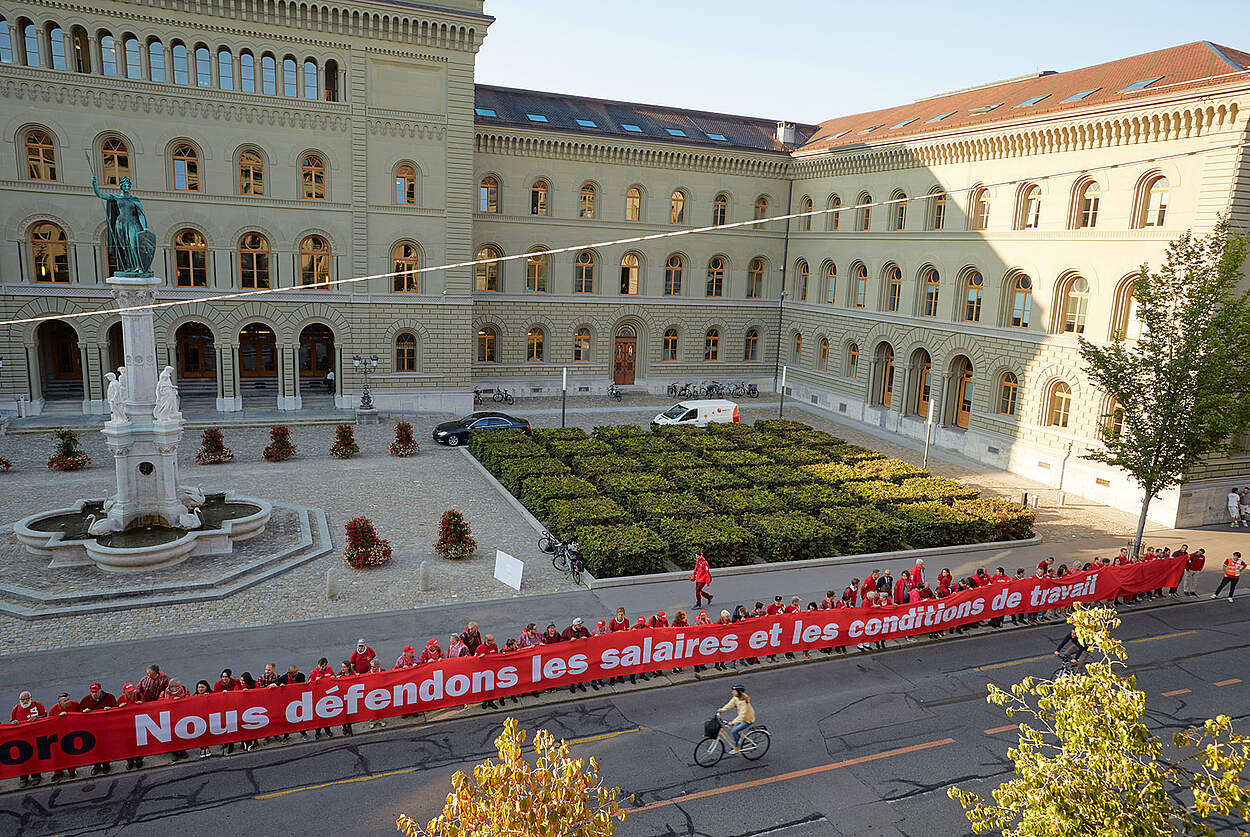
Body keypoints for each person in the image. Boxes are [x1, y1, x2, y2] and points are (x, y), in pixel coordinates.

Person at [80, 682, 117, 774]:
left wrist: (110, 709)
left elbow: (117, 710)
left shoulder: (110, 697)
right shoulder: (85, 700)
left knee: (106, 747)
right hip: (92, 729)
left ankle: (106, 764)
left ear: (100, 690)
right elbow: (78, 714)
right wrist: (84, 712)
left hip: (106, 728)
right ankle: (96, 765)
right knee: (94, 748)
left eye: (96, 692)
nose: (94, 694)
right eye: (92, 692)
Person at [12, 691, 46, 786]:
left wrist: (37, 718)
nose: (25, 701)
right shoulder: (16, 709)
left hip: (35, 737)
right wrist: (14, 722)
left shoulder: (37, 705)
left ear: (31, 698)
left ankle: (36, 776)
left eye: (27, 699)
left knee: (34, 758)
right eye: (23, 699)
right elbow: (12, 721)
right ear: (20, 700)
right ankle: (23, 778)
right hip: (22, 738)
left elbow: (45, 717)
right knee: (22, 759)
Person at [48, 693, 81, 780]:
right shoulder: (54, 710)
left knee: (70, 753)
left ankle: (72, 770)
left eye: (68, 699)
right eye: (65, 701)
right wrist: (59, 718)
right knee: (57, 754)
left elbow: (81, 715)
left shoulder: (75, 704)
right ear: (59, 702)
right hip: (59, 734)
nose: (68, 702)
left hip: (71, 733)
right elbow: (50, 723)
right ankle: (58, 772)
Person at [717, 685, 756, 753]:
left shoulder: (744, 702)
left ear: (739, 692)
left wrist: (733, 722)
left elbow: (742, 715)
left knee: (734, 731)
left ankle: (737, 747)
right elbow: (730, 704)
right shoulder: (736, 698)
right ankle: (740, 741)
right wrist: (722, 710)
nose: (733, 692)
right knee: (735, 730)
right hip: (741, 718)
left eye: (734, 691)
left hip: (747, 719)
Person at [116, 683, 145, 767]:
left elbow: (147, 710)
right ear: (124, 692)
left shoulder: (139, 696)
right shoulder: (121, 699)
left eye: (132, 691)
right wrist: (119, 708)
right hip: (126, 726)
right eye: (129, 692)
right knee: (127, 745)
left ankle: (139, 759)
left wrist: (141, 705)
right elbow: (115, 714)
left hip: (138, 725)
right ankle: (130, 761)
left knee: (139, 744)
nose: (131, 693)